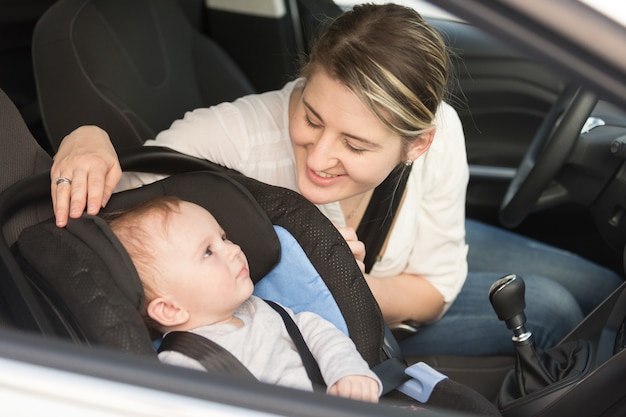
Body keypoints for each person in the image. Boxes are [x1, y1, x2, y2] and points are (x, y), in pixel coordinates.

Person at [50, 3, 622, 356]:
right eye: (311, 115)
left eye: (356, 144)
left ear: (415, 145)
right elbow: (132, 192)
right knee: (554, 312)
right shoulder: (239, 135)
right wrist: (89, 137)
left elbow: (436, 286)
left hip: (406, 273)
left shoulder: (441, 132)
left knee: (606, 294)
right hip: (344, 320)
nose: (318, 155)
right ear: (303, 79)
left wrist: (345, 275)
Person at [105, 195, 382, 402]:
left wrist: (348, 372)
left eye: (223, 237)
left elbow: (316, 330)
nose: (234, 249)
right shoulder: (185, 365)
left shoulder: (259, 308)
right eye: (208, 252)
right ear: (170, 309)